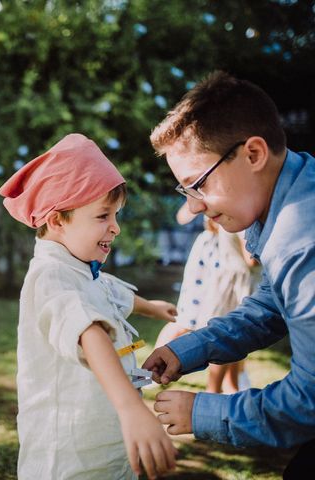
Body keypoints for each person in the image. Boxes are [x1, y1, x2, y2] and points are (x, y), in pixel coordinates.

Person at [141, 71, 315, 478]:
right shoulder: (293, 193)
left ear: (253, 154)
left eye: (198, 184)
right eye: (187, 192)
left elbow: (309, 400)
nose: (196, 206)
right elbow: (272, 306)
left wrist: (204, 411)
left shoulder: (303, 239)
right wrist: (191, 348)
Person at [0, 133, 178, 480]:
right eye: (102, 216)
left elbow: (108, 292)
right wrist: (130, 408)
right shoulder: (50, 276)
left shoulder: (81, 271)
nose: (116, 227)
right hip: (68, 457)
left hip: (105, 443)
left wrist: (151, 307)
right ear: (57, 220)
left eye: (116, 215)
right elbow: (87, 330)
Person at [153, 202, 259, 394]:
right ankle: (219, 387)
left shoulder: (218, 202)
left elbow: (183, 216)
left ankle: (231, 384)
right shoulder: (240, 210)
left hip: (211, 266)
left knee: (219, 328)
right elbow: (250, 260)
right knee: (222, 330)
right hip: (223, 274)